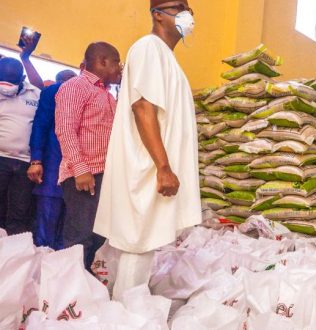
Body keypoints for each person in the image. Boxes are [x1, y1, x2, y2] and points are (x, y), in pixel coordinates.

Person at [94, 0, 201, 299]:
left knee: (143, 244)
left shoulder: (166, 57)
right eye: (180, 6)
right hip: (148, 168)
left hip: (154, 167)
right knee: (138, 243)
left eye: (189, 9)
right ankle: (126, 315)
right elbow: (143, 107)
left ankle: (127, 308)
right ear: (157, 14)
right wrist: (164, 167)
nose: (187, 14)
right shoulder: (148, 48)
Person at [55, 43, 122, 270]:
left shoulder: (106, 94)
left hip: (104, 174)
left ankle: (87, 289)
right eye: (116, 62)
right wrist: (81, 169)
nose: (120, 67)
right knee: (79, 236)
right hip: (84, 175)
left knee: (98, 237)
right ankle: (69, 291)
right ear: (102, 61)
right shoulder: (75, 86)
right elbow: (65, 129)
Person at [27, 68, 79, 250]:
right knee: (46, 226)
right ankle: (42, 266)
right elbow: (40, 126)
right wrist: (36, 160)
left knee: (69, 231)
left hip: (78, 172)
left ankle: (58, 268)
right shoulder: (53, 92)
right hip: (52, 166)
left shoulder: (94, 94)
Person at [0, 57, 41, 235]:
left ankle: (12, 252)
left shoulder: (35, 94)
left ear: (22, 78)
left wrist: (26, 57)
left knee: (19, 210)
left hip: (26, 163)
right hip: (1, 158)